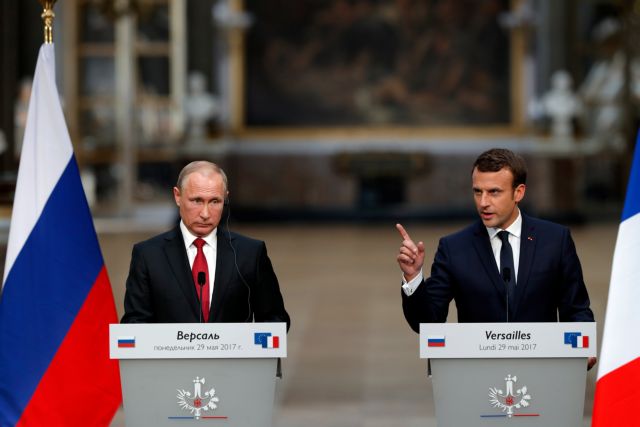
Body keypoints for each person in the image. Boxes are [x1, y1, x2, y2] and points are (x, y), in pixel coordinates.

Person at [396, 148, 595, 368]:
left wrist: (584, 349)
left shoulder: (555, 240)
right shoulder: (454, 248)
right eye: (477, 192)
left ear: (518, 193)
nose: (483, 202)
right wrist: (413, 277)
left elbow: (576, 309)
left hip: (542, 373)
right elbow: (428, 323)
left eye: (494, 192)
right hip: (476, 377)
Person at [121, 161, 290, 329]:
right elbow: (135, 324)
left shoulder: (250, 253)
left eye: (215, 201)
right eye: (197, 201)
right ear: (177, 197)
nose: (205, 213)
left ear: (225, 199)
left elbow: (275, 320)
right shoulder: (148, 255)